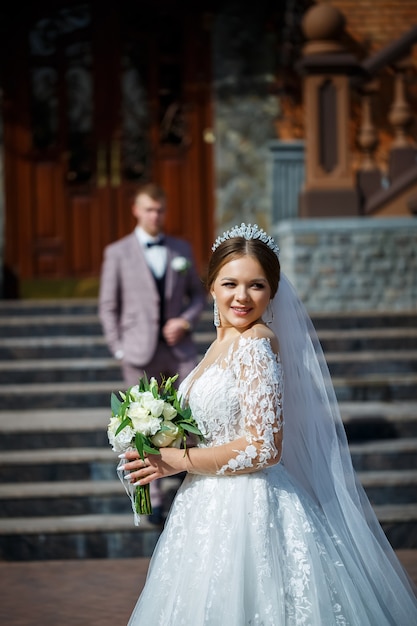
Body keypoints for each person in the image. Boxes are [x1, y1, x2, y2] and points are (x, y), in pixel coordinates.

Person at [120, 223, 417, 624]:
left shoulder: (255, 344)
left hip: (250, 507)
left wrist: (178, 458)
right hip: (203, 505)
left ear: (272, 291)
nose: (241, 297)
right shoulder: (220, 343)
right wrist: (156, 438)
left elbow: (264, 447)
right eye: (230, 283)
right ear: (210, 286)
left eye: (256, 285)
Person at [98, 182, 206, 524]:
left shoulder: (180, 248)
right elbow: (108, 305)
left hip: (179, 350)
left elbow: (200, 296)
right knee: (141, 424)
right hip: (137, 351)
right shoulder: (117, 252)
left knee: (193, 413)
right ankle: (152, 498)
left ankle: (196, 483)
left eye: (159, 210)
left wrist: (185, 322)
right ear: (136, 210)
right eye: (148, 209)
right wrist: (118, 348)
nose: (154, 215)